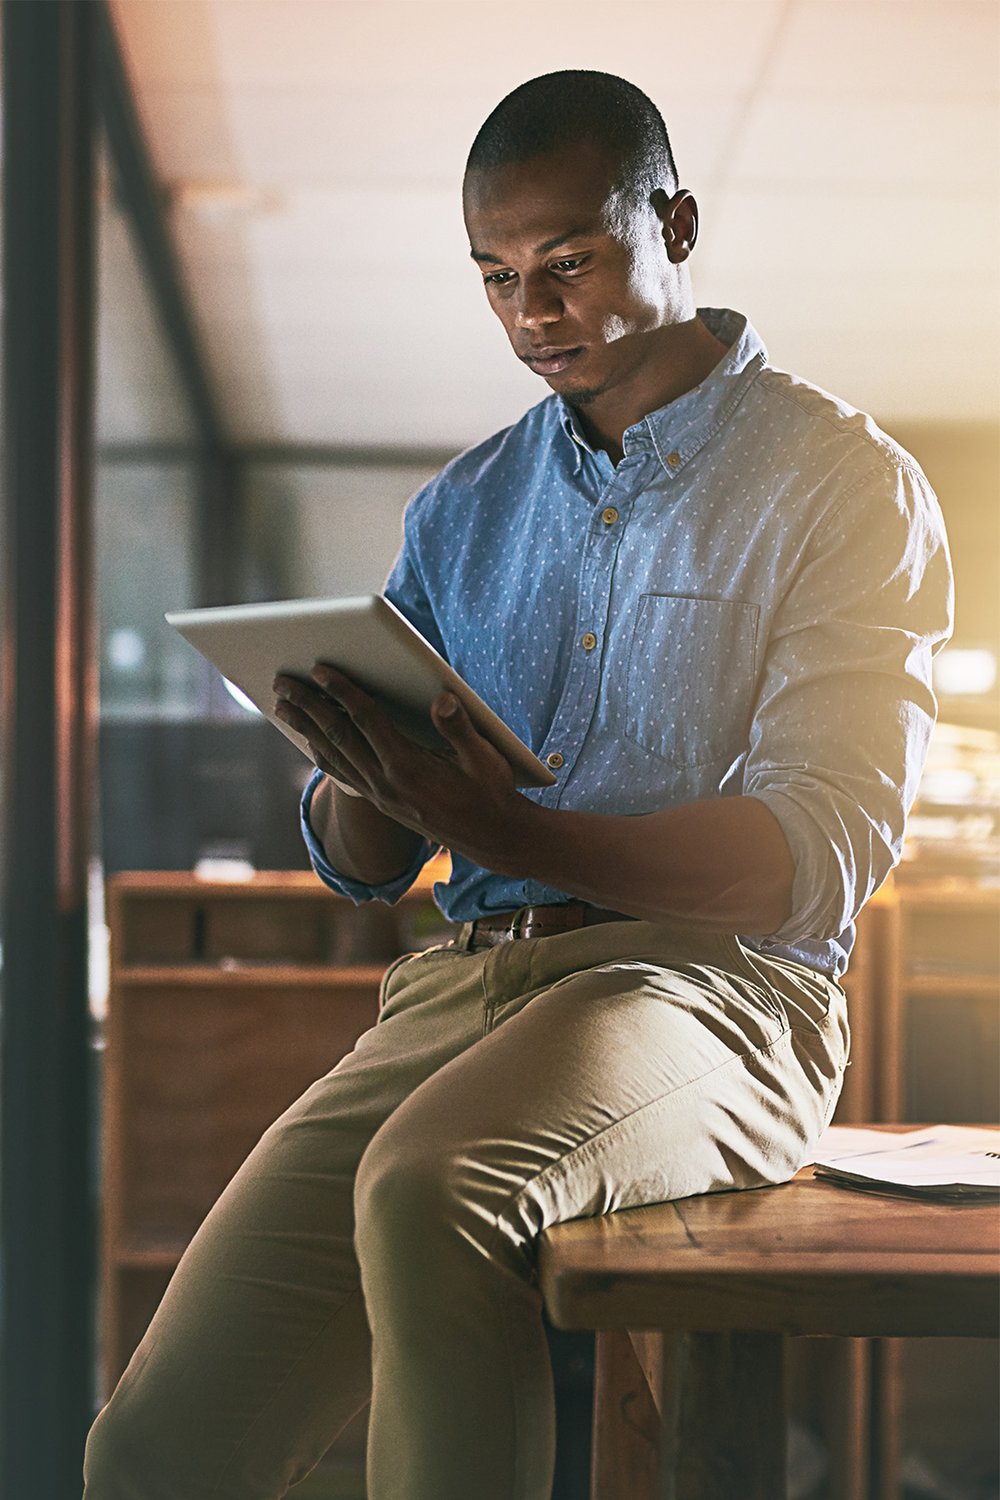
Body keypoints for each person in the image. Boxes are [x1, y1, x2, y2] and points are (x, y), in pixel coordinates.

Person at [84, 70, 952, 1500]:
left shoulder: (839, 480)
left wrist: (509, 825)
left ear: (674, 221)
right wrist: (367, 773)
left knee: (431, 1189)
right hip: (457, 992)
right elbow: (363, 861)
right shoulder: (465, 509)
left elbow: (817, 850)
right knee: (153, 1451)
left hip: (714, 999)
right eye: (497, 278)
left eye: (570, 264)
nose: (532, 313)